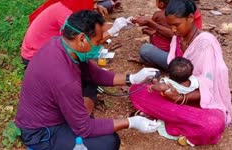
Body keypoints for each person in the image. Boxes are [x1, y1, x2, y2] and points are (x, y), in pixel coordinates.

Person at [16, 10, 161, 150]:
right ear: (81, 39)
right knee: (108, 142)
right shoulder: (65, 79)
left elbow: (94, 74)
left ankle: (78, 115)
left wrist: (133, 78)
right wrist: (131, 122)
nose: (98, 46)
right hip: (41, 133)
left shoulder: (60, 44)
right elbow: (84, 129)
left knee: (89, 83)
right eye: (97, 42)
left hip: (51, 111)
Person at [129, 0, 232, 146]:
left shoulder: (206, 43)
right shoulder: (177, 38)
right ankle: (179, 120)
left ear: (191, 18)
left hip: (201, 103)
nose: (173, 30)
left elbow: (209, 87)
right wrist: (165, 88)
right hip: (176, 95)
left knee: (213, 124)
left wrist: (180, 98)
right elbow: (175, 75)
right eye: (171, 25)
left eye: (177, 25)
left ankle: (163, 117)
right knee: (135, 90)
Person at [22, 0, 112, 67]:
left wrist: (94, 8)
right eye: (93, 2)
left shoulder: (71, 2)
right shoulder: (66, 14)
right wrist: (113, 30)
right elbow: (85, 41)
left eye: (96, 2)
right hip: (34, 56)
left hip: (43, 48)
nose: (96, 6)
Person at [131, 0, 176, 70]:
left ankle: (154, 61)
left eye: (156, 0)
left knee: (145, 49)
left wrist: (139, 21)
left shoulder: (158, 14)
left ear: (161, 3)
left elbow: (150, 24)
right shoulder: (178, 14)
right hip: (173, 49)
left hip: (169, 53)